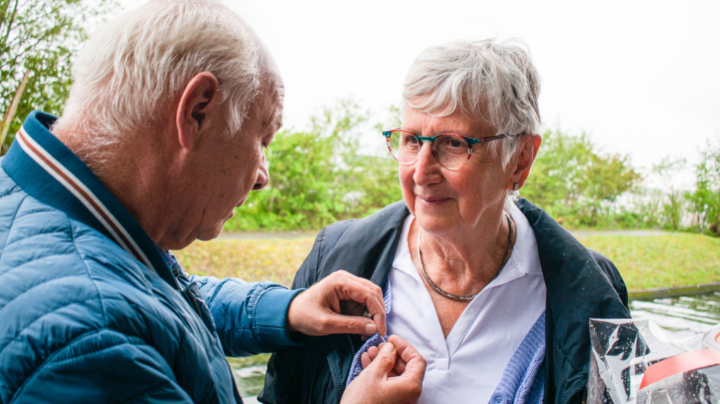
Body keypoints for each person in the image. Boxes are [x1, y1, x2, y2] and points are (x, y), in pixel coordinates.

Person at [0, 0, 424, 403]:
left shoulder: (60, 217)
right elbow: (119, 312)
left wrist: (290, 308)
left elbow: (154, 300)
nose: (263, 176)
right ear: (196, 112)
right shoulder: (93, 348)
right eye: (262, 139)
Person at [261, 40, 631, 404]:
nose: (421, 172)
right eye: (410, 140)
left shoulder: (593, 294)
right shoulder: (335, 259)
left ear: (520, 159)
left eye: (453, 143)